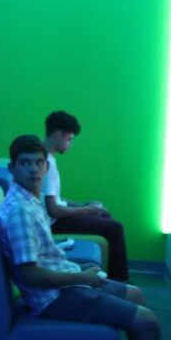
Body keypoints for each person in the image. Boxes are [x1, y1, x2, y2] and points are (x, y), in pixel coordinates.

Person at [0, 135, 171, 340]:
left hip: (67, 281)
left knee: (138, 295)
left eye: (38, 163)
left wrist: (80, 275)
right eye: (25, 163)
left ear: (46, 166)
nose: (33, 169)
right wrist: (83, 278)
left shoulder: (29, 200)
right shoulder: (19, 211)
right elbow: (29, 274)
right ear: (12, 168)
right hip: (55, 298)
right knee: (148, 321)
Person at [40, 110, 129, 281]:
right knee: (115, 228)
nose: (70, 144)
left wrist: (82, 205)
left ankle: (108, 276)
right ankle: (119, 280)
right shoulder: (45, 163)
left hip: (55, 218)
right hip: (53, 223)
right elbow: (53, 210)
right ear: (58, 135)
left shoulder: (45, 158)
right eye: (69, 139)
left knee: (105, 215)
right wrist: (87, 210)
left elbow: (54, 197)